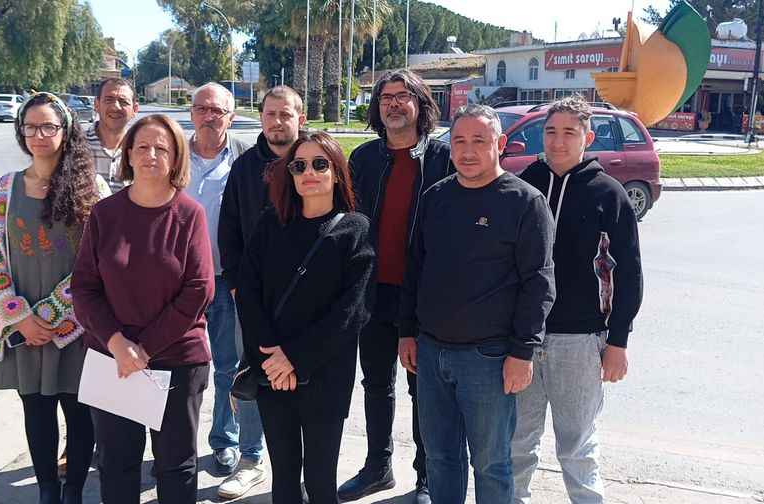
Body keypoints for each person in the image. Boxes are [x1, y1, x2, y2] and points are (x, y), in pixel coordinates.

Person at [398, 103, 556, 503]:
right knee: (440, 458)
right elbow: (414, 269)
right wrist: (406, 333)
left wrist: (523, 352)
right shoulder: (435, 197)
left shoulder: (525, 202)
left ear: (500, 144)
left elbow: (539, 285)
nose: (467, 152)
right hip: (431, 353)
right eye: (459, 142)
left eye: (479, 141)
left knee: (491, 463)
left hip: (490, 358)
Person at [71, 114, 215, 504]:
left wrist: (143, 349)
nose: (152, 154)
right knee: (115, 464)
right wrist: (119, 344)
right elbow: (83, 287)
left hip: (176, 361)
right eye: (143, 147)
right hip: (111, 360)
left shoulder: (190, 215)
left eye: (162, 148)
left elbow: (199, 289)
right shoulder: (105, 213)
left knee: (175, 466)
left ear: (176, 157)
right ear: (129, 155)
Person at [0, 91, 109, 504]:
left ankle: (73, 491)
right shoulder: (5, 188)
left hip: (76, 327)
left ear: (65, 132)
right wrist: (19, 318)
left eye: (48, 126)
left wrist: (52, 316)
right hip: (24, 327)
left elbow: (99, 261)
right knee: (36, 411)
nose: (39, 135)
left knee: (79, 412)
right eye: (30, 126)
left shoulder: (92, 188)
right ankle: (47, 489)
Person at [512, 95, 643, 504]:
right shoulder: (521, 186)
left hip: (582, 342)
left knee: (577, 448)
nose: (557, 141)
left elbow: (630, 274)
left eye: (569, 132)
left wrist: (617, 341)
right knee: (516, 445)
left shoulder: (609, 194)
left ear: (588, 137)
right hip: (522, 340)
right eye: (551, 131)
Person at [235, 131, 375, 504]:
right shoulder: (270, 225)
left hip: (326, 375)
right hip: (272, 376)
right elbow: (247, 294)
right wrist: (272, 359)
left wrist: (294, 357)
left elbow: (353, 310)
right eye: (299, 165)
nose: (309, 172)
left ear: (336, 172)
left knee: (320, 482)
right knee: (283, 481)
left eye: (319, 164)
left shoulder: (355, 229)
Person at [339, 68, 452, 504]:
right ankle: (377, 467)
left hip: (424, 297)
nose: (393, 103)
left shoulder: (442, 159)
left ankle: (426, 476)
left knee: (422, 387)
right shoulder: (364, 160)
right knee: (376, 385)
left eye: (403, 96)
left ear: (421, 105)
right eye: (385, 97)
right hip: (372, 293)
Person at [216, 85, 307, 499]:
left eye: (285, 115)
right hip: (252, 299)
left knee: (306, 379)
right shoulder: (245, 168)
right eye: (270, 114)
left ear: (299, 120)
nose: (276, 122)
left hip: (308, 301)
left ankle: (306, 466)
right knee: (251, 374)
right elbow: (229, 234)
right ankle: (251, 458)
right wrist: (236, 287)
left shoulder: (316, 162)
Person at [182, 82, 252, 477]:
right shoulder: (173, 154)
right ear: (192, 113)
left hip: (226, 281)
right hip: (178, 282)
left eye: (218, 110)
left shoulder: (243, 156)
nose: (209, 116)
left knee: (228, 366)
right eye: (202, 109)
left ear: (230, 115)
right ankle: (174, 444)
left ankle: (225, 441)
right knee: (173, 367)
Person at [85, 77, 139, 190]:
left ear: (134, 109)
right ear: (96, 105)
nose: (116, 107)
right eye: (109, 100)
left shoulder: (142, 149)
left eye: (123, 102)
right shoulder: (74, 146)